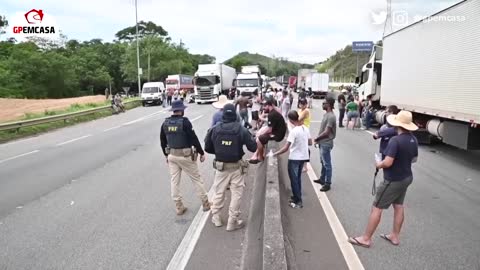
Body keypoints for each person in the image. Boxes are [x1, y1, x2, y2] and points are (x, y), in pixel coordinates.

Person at [348, 111, 418, 248]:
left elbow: (388, 162)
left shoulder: (395, 140)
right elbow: (414, 159)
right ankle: (395, 236)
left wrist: (379, 164)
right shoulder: (413, 139)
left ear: (397, 124)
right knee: (398, 206)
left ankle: (366, 238)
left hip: (393, 179)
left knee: (377, 207)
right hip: (406, 177)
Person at [204, 103, 257, 231]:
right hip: (236, 167)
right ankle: (232, 222)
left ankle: (216, 218)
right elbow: (253, 147)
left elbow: (207, 147)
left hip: (221, 167)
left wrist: (219, 151)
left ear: (223, 114)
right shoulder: (241, 129)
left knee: (219, 192)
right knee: (236, 194)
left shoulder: (215, 129)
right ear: (235, 114)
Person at [160, 100, 211, 215]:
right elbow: (194, 138)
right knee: (196, 179)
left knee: (174, 182)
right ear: (182, 110)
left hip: (172, 155)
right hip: (186, 156)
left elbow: (162, 142)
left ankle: (179, 206)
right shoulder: (185, 122)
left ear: (173, 111)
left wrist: (166, 155)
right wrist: (201, 152)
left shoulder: (165, 123)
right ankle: (205, 203)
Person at [273, 110, 312, 209]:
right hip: (303, 157)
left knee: (294, 180)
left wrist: (275, 153)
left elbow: (286, 147)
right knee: (297, 178)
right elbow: (310, 142)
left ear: (290, 120)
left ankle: (298, 202)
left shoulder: (294, 132)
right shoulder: (305, 129)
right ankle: (296, 197)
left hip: (294, 158)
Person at [249, 99, 287, 164]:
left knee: (259, 140)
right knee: (261, 136)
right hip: (278, 132)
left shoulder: (272, 114)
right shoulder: (273, 112)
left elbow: (269, 129)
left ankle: (260, 158)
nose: (264, 108)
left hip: (278, 135)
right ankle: (258, 155)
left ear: (269, 106)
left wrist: (260, 134)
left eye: (265, 106)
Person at [313, 98, 336, 192]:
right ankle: (322, 179)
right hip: (322, 142)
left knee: (327, 164)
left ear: (329, 105)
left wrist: (317, 138)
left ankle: (328, 183)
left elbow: (327, 132)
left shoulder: (331, 116)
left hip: (326, 143)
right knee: (323, 162)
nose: (322, 104)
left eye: (324, 103)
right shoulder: (326, 114)